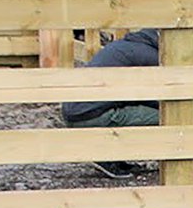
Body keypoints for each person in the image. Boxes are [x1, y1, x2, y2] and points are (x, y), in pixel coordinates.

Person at [61, 29, 161, 179]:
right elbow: (152, 96)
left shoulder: (126, 46)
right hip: (89, 116)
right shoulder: (151, 56)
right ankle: (103, 156)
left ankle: (113, 156)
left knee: (130, 109)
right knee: (164, 117)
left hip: (75, 112)